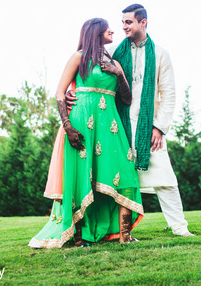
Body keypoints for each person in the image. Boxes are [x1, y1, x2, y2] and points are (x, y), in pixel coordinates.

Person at [69, 4, 193, 237]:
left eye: (129, 22)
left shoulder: (161, 54)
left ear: (143, 22)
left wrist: (159, 127)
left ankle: (179, 227)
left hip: (149, 127)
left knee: (165, 178)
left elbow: (169, 93)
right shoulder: (113, 52)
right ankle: (112, 232)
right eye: (122, 22)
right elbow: (90, 78)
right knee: (115, 178)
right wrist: (71, 93)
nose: (123, 26)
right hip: (117, 125)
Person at [28, 18, 143, 248]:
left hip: (110, 126)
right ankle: (80, 238)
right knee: (82, 177)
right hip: (82, 124)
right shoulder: (78, 57)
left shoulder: (115, 63)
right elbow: (60, 93)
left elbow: (127, 98)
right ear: (95, 32)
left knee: (126, 172)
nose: (112, 30)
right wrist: (68, 126)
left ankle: (124, 235)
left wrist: (118, 74)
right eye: (107, 27)